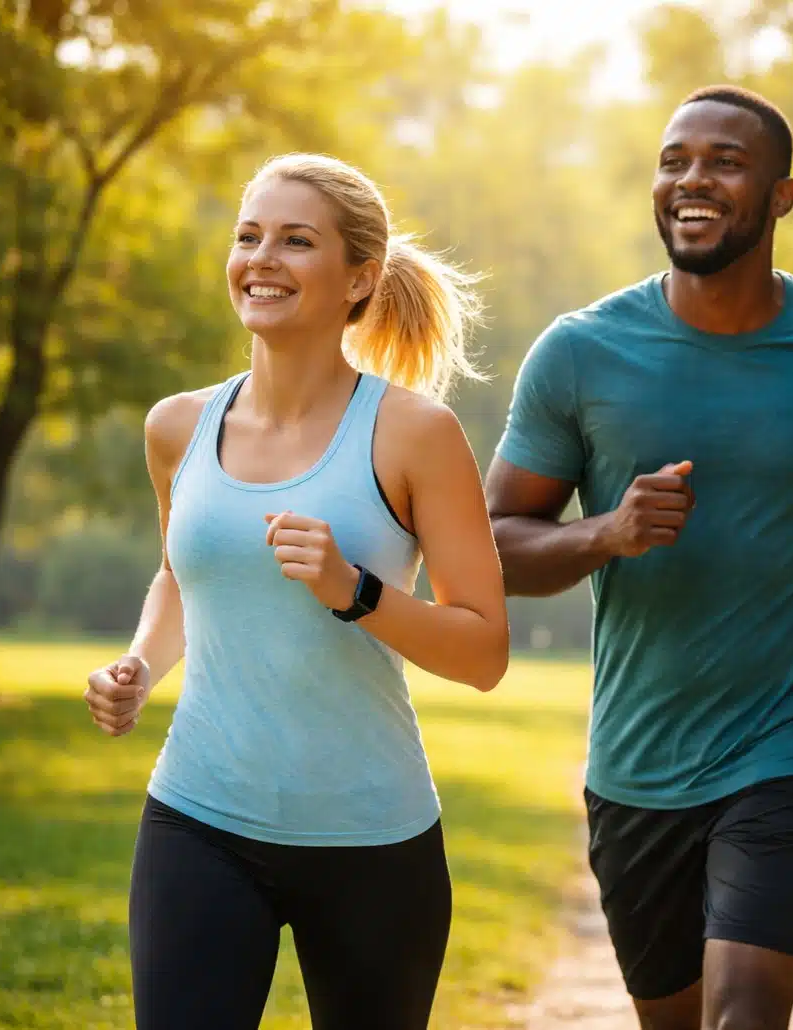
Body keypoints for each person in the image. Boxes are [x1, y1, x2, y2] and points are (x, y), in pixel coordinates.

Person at [484, 85, 793, 1029]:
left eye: (725, 161)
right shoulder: (580, 352)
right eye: (674, 159)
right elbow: (493, 546)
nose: (692, 179)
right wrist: (605, 534)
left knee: (747, 1013)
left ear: (781, 196)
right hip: (637, 759)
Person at [81, 153, 509, 1030]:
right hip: (199, 816)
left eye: (295, 240)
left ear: (360, 278)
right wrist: (137, 665)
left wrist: (355, 591)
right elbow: (179, 575)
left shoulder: (414, 434)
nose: (261, 258)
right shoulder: (179, 426)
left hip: (372, 838)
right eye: (249, 236)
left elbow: (484, 651)